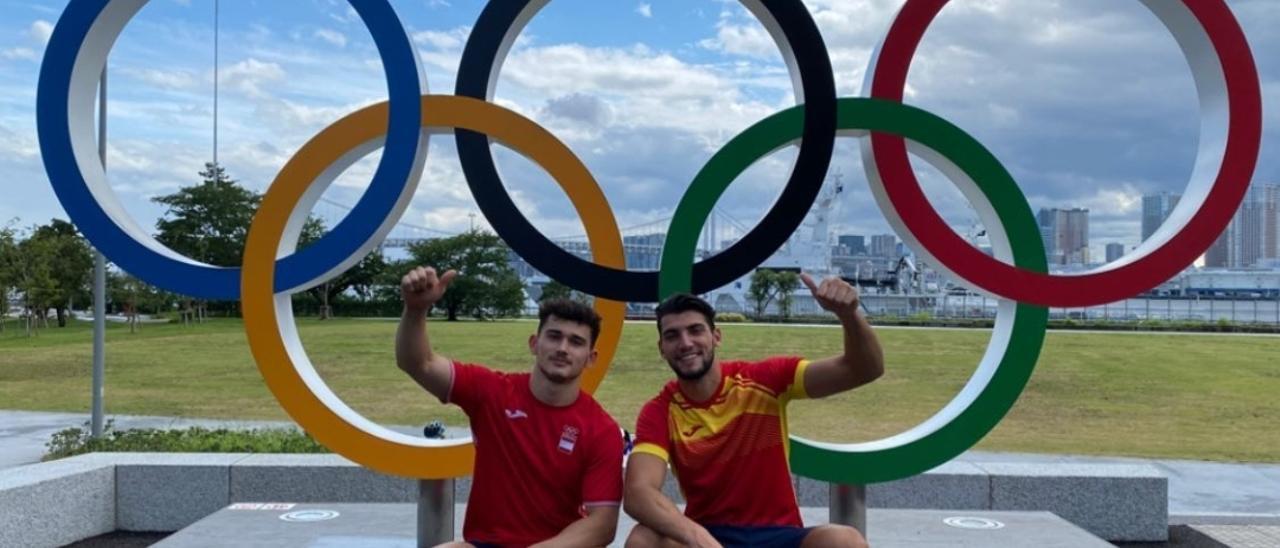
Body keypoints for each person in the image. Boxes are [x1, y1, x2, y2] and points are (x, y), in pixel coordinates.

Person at [624, 274, 884, 548]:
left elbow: (864, 369)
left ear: (716, 336)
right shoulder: (660, 410)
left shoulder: (763, 380)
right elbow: (638, 492)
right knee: (644, 539)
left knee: (845, 541)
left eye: (695, 330)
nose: (686, 343)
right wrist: (701, 539)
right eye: (672, 336)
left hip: (779, 535)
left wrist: (849, 315)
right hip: (708, 534)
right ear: (661, 349)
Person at [396, 266, 623, 548]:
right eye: (554, 336)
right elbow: (419, 363)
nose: (563, 348)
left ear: (591, 358)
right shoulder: (492, 391)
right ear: (534, 343)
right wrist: (415, 310)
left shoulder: (602, 430)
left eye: (576, 342)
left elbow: (602, 525)